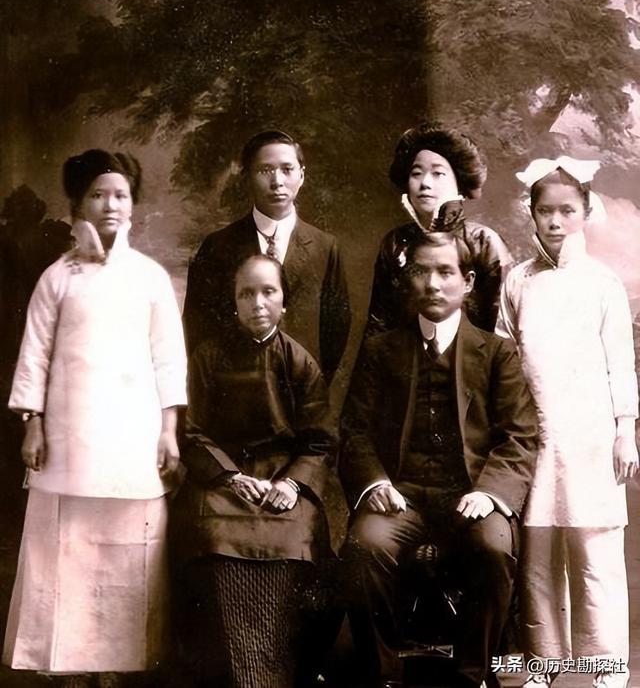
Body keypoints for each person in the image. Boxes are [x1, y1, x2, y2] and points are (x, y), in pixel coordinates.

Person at [3, 150, 187, 688]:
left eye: (120, 195)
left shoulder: (150, 278)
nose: (110, 205)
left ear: (133, 204)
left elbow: (168, 359)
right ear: (79, 203)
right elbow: (35, 354)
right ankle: (67, 664)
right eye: (98, 194)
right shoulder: (56, 278)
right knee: (67, 553)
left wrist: (168, 430)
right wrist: (32, 423)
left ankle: (118, 665)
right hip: (69, 439)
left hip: (132, 439)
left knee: (127, 551)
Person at [340, 232, 538, 688]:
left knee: (494, 546)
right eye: (421, 271)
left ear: (468, 282)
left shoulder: (497, 354)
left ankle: (471, 676)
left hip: (469, 498)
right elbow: (354, 431)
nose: (432, 283)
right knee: (364, 546)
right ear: (407, 280)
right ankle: (384, 677)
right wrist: (376, 483)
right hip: (401, 499)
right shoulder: (381, 350)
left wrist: (489, 492)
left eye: (445, 272)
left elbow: (520, 436)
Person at [496, 157, 639, 688]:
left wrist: (625, 430)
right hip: (535, 433)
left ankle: (605, 669)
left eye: (566, 210)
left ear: (585, 211)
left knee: (595, 554)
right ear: (531, 213)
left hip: (592, 433)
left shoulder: (602, 282)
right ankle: (543, 664)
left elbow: (620, 361)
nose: (555, 221)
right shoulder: (517, 282)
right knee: (537, 557)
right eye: (545, 211)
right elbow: (505, 359)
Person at [172, 254, 337, 688]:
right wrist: (230, 477)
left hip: (283, 476)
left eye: (268, 292)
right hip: (222, 477)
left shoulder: (300, 361)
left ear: (284, 301)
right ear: (234, 301)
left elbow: (320, 439)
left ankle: (278, 672)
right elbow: (192, 431)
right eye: (246, 293)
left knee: (296, 538)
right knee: (210, 538)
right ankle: (236, 673)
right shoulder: (208, 357)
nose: (257, 303)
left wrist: (293, 483)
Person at [183, 130, 351, 381]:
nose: (277, 182)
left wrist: (312, 383)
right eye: (265, 171)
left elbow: (336, 330)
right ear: (247, 177)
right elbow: (197, 326)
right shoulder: (218, 246)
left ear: (302, 175)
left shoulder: (324, 247)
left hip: (302, 388)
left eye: (287, 169)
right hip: (236, 387)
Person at [366, 123, 512, 336]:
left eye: (438, 173)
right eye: (417, 173)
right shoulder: (395, 242)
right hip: (404, 356)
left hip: (471, 355)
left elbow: (500, 329)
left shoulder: (484, 242)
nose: (425, 183)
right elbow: (378, 325)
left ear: (458, 182)